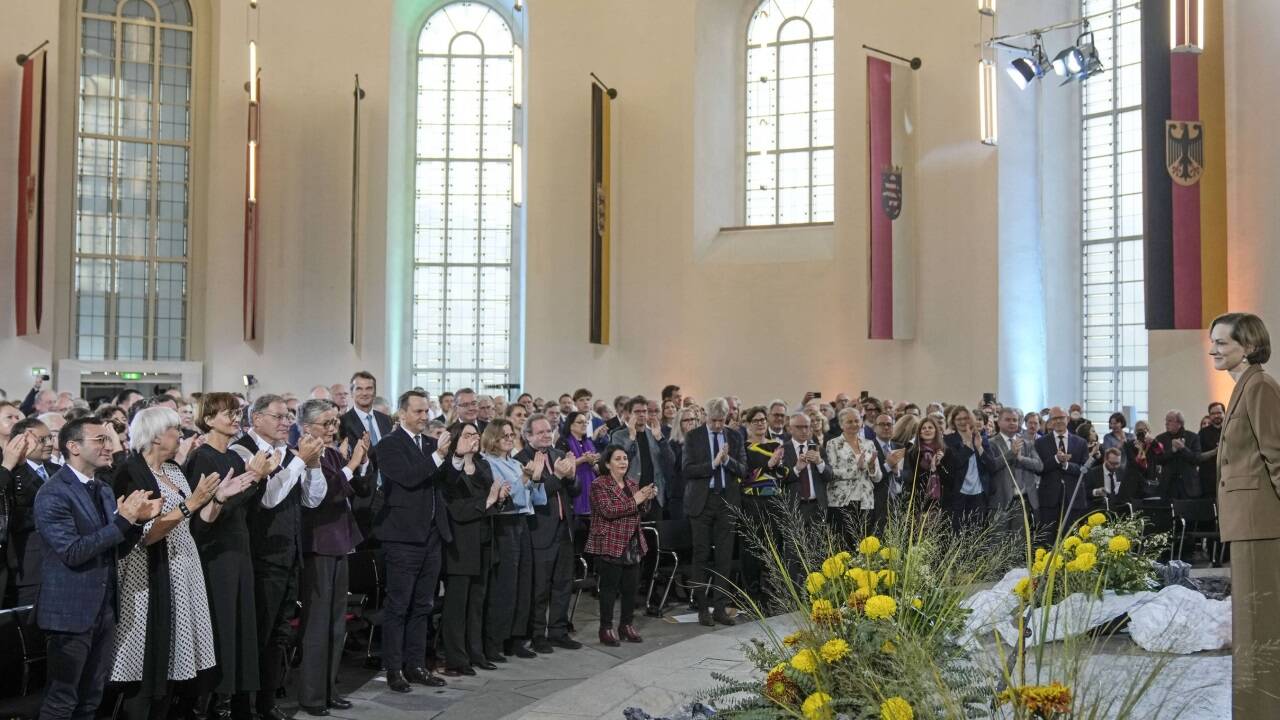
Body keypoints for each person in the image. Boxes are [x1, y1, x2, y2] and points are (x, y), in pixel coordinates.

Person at [111, 407, 253, 719]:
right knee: (147, 658)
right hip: (149, 573)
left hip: (184, 566)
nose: (181, 435)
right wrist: (192, 503)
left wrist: (219, 498)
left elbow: (198, 524)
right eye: (174, 429)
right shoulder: (130, 472)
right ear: (155, 436)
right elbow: (145, 536)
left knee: (176, 657)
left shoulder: (174, 470)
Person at [35, 417, 160, 720]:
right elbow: (73, 552)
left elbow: (115, 549)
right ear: (73, 446)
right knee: (62, 699)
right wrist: (123, 520)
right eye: (100, 440)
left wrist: (136, 523)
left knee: (92, 697)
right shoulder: (53, 493)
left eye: (108, 439)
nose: (109, 446)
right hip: (69, 613)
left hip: (103, 609)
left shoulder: (102, 489)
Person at [232, 395, 328, 720]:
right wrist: (300, 460)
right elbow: (269, 498)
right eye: (279, 416)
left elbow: (313, 500)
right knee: (257, 635)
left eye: (288, 416)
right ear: (256, 418)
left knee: (279, 635)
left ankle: (266, 703)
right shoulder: (243, 451)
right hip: (260, 557)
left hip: (288, 555)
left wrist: (312, 465)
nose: (286, 422)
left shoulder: (288, 453)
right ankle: (243, 706)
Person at [1207, 312, 1280, 717]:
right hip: (1249, 522)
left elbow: (1277, 455)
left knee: (1259, 624)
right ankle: (1251, 709)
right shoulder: (1245, 386)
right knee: (1250, 624)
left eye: (1222, 342)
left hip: (1261, 524)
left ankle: (1260, 711)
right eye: (1213, 342)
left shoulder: (1260, 387)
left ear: (1249, 346)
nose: (1213, 350)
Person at [185, 393, 273, 720]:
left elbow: (247, 506)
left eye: (237, 413)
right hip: (215, 553)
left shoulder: (234, 457)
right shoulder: (202, 459)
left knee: (240, 626)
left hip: (239, 549)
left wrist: (256, 479)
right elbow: (206, 518)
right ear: (208, 419)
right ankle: (209, 703)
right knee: (220, 627)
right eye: (228, 414)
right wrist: (252, 480)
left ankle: (235, 701)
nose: (235, 419)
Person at [373, 390, 452, 692]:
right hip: (402, 537)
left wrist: (456, 459)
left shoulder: (432, 444)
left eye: (426, 411)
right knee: (398, 606)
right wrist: (439, 457)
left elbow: (445, 483)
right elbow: (407, 478)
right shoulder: (389, 445)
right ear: (402, 414)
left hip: (431, 535)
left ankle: (416, 665)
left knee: (423, 604)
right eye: (418, 411)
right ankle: (393, 668)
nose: (424, 416)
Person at [297, 400, 370, 716]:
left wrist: (360, 462)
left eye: (334, 422)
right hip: (318, 545)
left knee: (336, 625)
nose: (332, 428)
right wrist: (351, 464)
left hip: (340, 542)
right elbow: (324, 494)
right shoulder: (304, 454)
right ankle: (312, 695)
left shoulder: (331, 454)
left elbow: (354, 489)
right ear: (307, 427)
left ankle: (329, 688)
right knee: (317, 625)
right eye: (326, 423)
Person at [440, 421, 505, 676]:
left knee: (477, 602)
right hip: (460, 543)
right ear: (455, 439)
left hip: (484, 539)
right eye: (467, 435)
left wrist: (499, 498)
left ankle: (476, 653)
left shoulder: (482, 465)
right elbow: (455, 508)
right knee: (457, 605)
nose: (474, 439)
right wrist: (487, 501)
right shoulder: (449, 469)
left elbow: (491, 498)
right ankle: (456, 658)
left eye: (476, 434)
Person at [517, 414, 583, 652]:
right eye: (541, 432)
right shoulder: (521, 460)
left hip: (564, 529)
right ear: (528, 436)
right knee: (540, 588)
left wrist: (572, 476)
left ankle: (558, 631)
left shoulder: (558, 454)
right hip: (539, 531)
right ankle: (537, 634)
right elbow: (537, 497)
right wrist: (557, 477)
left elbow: (575, 491)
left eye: (549, 431)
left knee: (563, 584)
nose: (547, 435)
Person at [682, 398, 746, 627]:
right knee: (701, 556)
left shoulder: (735, 436)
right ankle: (702, 609)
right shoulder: (693, 436)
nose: (718, 425)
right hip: (702, 502)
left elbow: (743, 469)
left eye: (722, 420)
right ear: (706, 417)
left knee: (724, 557)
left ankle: (720, 608)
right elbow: (687, 469)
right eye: (714, 421)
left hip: (727, 501)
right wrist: (713, 463)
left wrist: (727, 460)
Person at [586, 445, 656, 646]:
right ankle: (605, 629)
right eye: (618, 459)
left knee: (630, 589)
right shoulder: (599, 484)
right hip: (610, 541)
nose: (623, 462)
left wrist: (647, 498)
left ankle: (626, 625)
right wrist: (637, 499)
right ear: (608, 464)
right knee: (609, 590)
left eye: (625, 458)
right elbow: (608, 511)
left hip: (632, 542)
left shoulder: (632, 483)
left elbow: (641, 511)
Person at [481, 418, 538, 660]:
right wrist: (524, 480)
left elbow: (535, 497)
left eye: (511, 434)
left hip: (522, 522)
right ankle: (495, 640)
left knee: (523, 583)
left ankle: (516, 638)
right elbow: (505, 496)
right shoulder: (487, 463)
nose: (508, 438)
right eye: (503, 435)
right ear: (492, 437)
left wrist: (535, 479)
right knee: (504, 584)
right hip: (504, 524)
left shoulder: (515, 463)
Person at [737, 406, 787, 611]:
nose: (760, 423)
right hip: (751, 502)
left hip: (773, 501)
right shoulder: (743, 447)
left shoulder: (776, 445)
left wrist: (780, 466)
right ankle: (753, 596)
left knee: (774, 548)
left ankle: (772, 595)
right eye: (755, 420)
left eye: (763, 420)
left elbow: (782, 475)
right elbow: (743, 478)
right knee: (752, 549)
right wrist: (768, 465)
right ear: (748, 424)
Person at [6, 417, 59, 607]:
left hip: (61, 564)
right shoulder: (11, 473)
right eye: (42, 439)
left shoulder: (59, 471)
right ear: (22, 441)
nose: (49, 443)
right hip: (28, 568)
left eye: (50, 438)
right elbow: (14, 517)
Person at [338, 371, 393, 543]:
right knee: (365, 551)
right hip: (361, 496)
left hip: (389, 495)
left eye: (369, 388)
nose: (364, 393)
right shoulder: (342, 422)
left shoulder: (386, 420)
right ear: (352, 392)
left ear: (375, 391)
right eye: (359, 389)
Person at [609, 396, 674, 521]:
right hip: (630, 496)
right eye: (637, 412)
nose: (642, 415)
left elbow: (671, 461)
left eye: (644, 411)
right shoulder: (618, 435)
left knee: (656, 532)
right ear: (629, 414)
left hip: (654, 495)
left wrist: (660, 439)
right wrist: (631, 438)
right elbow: (619, 463)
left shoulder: (654, 433)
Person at [984, 407, 1042, 535]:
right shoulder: (990, 443)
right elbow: (991, 467)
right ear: (999, 422)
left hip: (1022, 501)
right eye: (1008, 420)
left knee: (1019, 543)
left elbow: (1039, 466)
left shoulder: (1026, 443)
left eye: (1015, 420)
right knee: (997, 542)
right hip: (1000, 501)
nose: (1012, 423)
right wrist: (1011, 453)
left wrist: (1022, 459)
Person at [1035, 407, 1089, 540]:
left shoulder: (1081, 442)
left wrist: (1066, 465)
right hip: (1049, 499)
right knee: (1048, 539)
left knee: (1071, 539)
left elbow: (1085, 469)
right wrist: (1056, 459)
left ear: (1068, 419)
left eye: (1061, 418)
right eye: (1055, 418)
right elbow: (1038, 468)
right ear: (1050, 421)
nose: (1058, 421)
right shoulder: (1040, 443)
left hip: (1073, 498)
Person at [825, 407, 877, 543]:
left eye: (857, 421)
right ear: (841, 424)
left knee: (865, 545)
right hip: (841, 501)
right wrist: (856, 468)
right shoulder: (832, 444)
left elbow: (877, 477)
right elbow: (831, 472)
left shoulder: (869, 444)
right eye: (849, 421)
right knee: (843, 544)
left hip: (866, 501)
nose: (854, 424)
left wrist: (872, 467)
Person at [941, 406, 992, 534]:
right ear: (953, 421)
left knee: (977, 534)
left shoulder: (980, 438)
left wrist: (979, 448)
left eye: (966, 418)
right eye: (959, 419)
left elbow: (992, 466)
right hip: (958, 494)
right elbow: (954, 465)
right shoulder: (948, 440)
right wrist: (968, 446)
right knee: (958, 534)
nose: (963, 421)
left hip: (979, 493)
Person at [781, 412, 830, 524]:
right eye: (799, 427)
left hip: (817, 506)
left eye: (806, 427)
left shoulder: (818, 449)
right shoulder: (783, 450)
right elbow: (780, 480)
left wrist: (819, 463)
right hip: (794, 508)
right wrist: (796, 469)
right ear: (790, 429)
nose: (804, 431)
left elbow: (829, 476)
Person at [557, 411, 601, 523]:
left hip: (591, 484)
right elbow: (563, 465)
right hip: (572, 487)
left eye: (586, 422)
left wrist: (593, 462)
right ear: (571, 425)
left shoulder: (588, 442)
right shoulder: (563, 442)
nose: (584, 425)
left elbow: (595, 468)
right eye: (580, 422)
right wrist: (583, 459)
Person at [1153, 410, 1203, 499]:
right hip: (1168, 486)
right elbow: (1157, 460)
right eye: (1166, 421)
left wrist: (1183, 448)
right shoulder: (1160, 439)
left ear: (1179, 423)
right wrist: (1172, 451)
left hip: (1188, 487)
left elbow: (1197, 459)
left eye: (1170, 421)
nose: (1166, 423)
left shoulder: (1193, 437)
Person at [900, 416, 945, 513]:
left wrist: (940, 465)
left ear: (936, 431)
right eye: (923, 428)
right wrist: (931, 469)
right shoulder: (912, 451)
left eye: (930, 427)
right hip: (918, 498)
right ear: (919, 432)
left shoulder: (944, 450)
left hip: (941, 499)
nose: (927, 430)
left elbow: (948, 477)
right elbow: (911, 478)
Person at [1198, 401, 1225, 494]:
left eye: (1219, 413)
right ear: (1209, 415)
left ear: (1224, 413)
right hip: (1209, 479)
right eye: (1213, 414)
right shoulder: (1202, 433)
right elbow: (1198, 456)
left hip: (1228, 476)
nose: (1216, 416)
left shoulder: (1231, 430)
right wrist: (1215, 451)